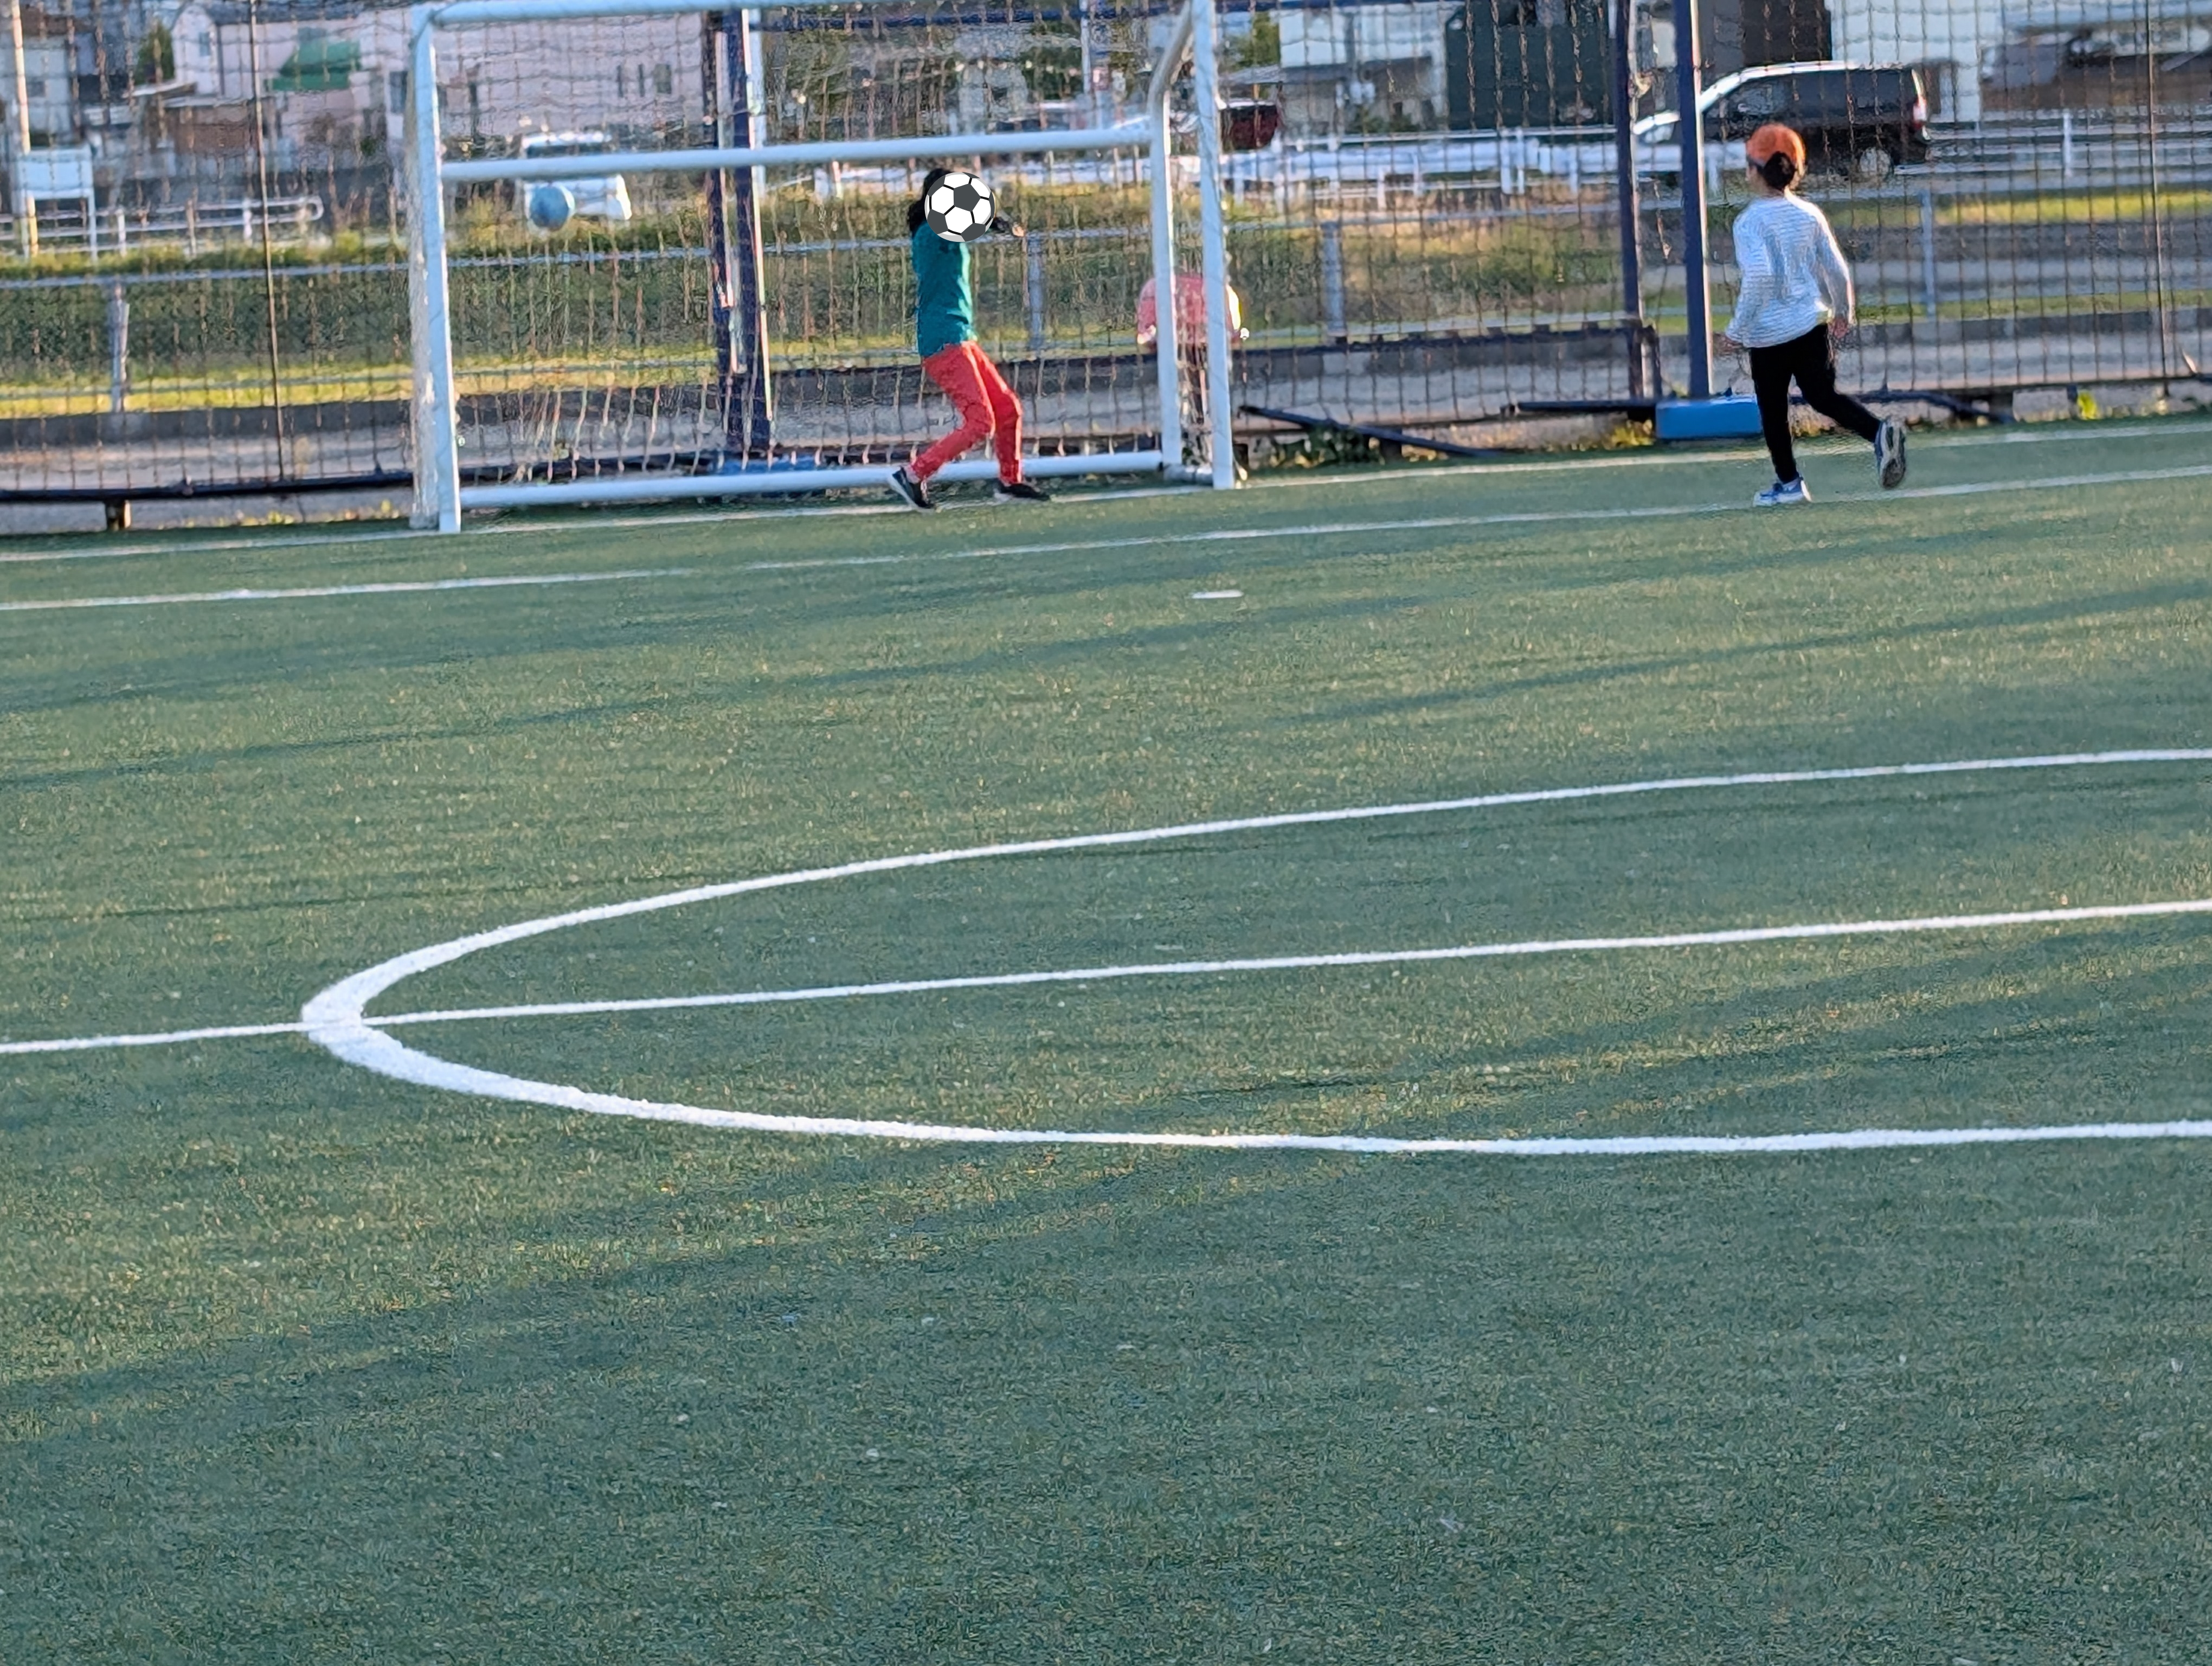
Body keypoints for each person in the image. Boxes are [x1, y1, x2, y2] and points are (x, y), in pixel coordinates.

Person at [1721, 124, 1907, 506]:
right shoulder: (1809, 214)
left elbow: (1760, 276)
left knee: (1773, 410)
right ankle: (1877, 432)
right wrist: (1843, 309)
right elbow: (1836, 268)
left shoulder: (1749, 222)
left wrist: (1737, 329)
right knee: (1823, 396)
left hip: (1769, 335)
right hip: (1811, 325)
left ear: (1754, 170)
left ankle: (1789, 484)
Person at [888, 168, 1051, 511]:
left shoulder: (945, 228)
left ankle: (1010, 482)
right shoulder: (932, 232)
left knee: (1007, 409)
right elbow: (963, 221)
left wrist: (994, 222)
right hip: (944, 339)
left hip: (961, 336)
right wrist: (993, 220)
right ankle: (914, 474)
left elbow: (966, 220)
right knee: (981, 421)